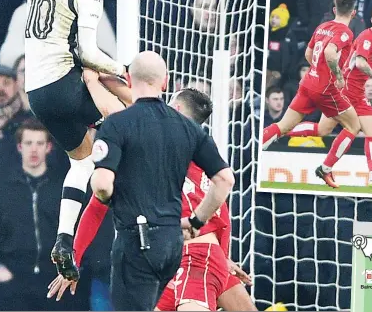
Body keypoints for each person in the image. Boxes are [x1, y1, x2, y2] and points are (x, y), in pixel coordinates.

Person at [47, 71, 255, 311]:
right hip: (191, 254)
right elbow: (222, 209)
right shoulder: (201, 149)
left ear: (174, 108)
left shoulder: (150, 139)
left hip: (189, 255)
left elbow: (96, 207)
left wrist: (94, 78)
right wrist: (224, 254)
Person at [23, 0, 130, 275]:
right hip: (63, 85)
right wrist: (122, 70)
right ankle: (138, 222)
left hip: (37, 94)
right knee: (134, 118)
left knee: (82, 163)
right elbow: (86, 52)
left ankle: (64, 240)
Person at [0, 119, 88, 311]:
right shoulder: (1, 188)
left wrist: (74, 265)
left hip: (56, 280)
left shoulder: (64, 187)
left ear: (49, 147)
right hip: (13, 284)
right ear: (19, 147)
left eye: (39, 143)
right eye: (28, 143)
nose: (34, 149)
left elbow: (82, 227)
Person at [287, 4, 372, 187]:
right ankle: (283, 131)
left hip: (358, 94)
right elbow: (361, 63)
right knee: (325, 130)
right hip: (344, 92)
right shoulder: (366, 38)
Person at [262, 0, 361, 188]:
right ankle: (325, 169)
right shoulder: (345, 32)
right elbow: (329, 52)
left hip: (308, 83)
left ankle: (259, 145)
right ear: (354, 13)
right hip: (327, 89)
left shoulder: (322, 27)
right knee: (353, 127)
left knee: (295, 126)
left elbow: (308, 53)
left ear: (334, 10)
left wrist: (318, 70)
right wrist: (337, 76)